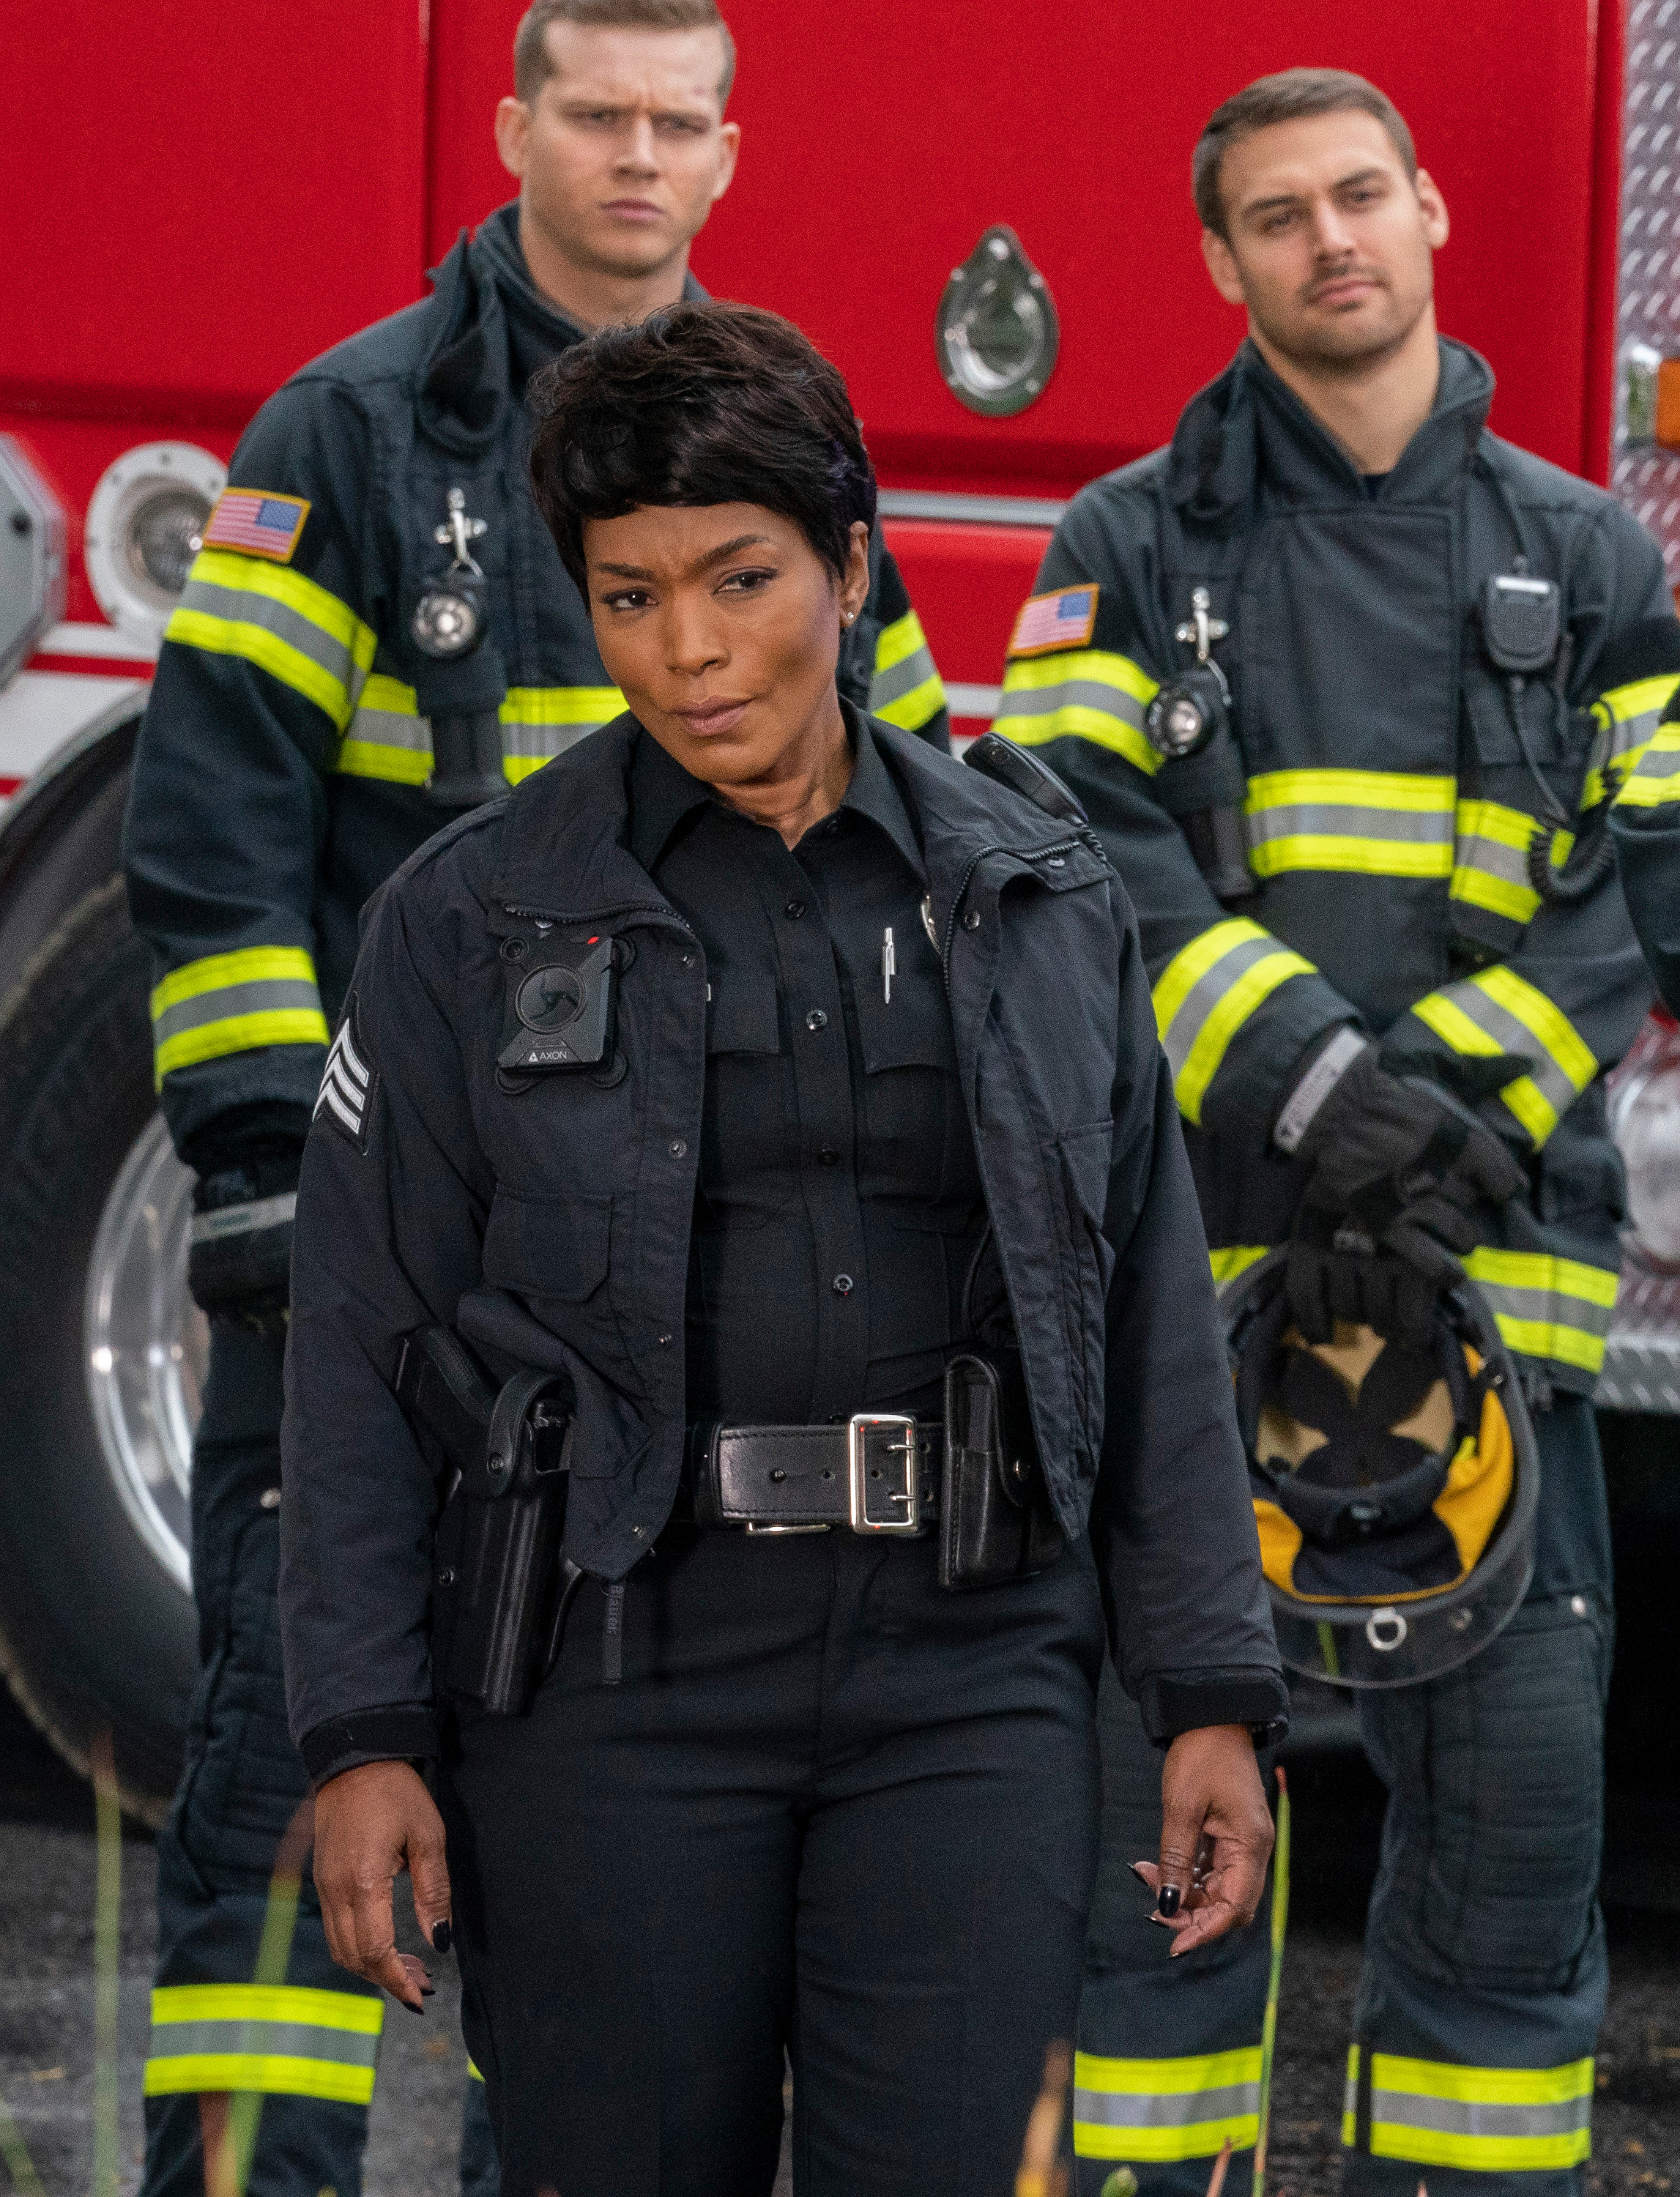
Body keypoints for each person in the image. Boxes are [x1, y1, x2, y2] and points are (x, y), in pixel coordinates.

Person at [276, 300, 1289, 2197]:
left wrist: (1212, 1690)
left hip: (974, 1679)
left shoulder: (1039, 894)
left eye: (741, 578)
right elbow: (355, 1344)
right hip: (612, 1676)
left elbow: (1145, 1309)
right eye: (630, 593)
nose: (690, 649)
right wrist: (362, 1732)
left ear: (850, 562)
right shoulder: (474, 920)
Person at [121, 5, 948, 2193]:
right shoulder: (359, 432)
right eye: (599, 114)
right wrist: (267, 1196)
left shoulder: (789, 432)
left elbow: (922, 830)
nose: (639, 158)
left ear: (733, 150)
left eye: (683, 122)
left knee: (599, 1827)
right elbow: (212, 842)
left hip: (663, 1274)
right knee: (285, 1773)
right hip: (389, 1249)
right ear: (511, 130)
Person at [992, 68, 1677, 2196]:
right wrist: (1319, 1089)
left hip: (1501, 1295)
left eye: (1359, 194)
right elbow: (1071, 856)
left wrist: (1443, 1118)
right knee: (1152, 1871)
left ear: (1434, 208)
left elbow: (1649, 877)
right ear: (1220, 263)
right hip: (1195, 1306)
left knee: (1504, 1860)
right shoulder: (1118, 550)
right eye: (1277, 216)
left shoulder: (1591, 553)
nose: (1330, 240)